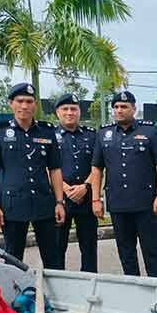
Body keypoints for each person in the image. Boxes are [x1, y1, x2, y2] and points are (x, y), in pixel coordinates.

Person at [0, 82, 66, 268]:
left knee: (53, 257)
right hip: (12, 206)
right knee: (13, 259)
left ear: (35, 104)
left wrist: (60, 202)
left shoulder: (47, 131)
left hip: (44, 204)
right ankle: (16, 296)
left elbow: (55, 169)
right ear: (10, 103)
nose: (24, 106)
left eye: (29, 101)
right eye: (20, 101)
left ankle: (53, 296)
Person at [89, 90, 157, 277]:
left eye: (124, 107)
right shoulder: (104, 133)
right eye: (116, 107)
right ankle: (133, 290)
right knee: (126, 253)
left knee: (153, 252)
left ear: (133, 109)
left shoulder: (149, 130)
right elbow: (97, 168)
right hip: (118, 204)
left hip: (146, 203)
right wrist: (96, 199)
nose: (119, 110)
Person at [53, 92, 98, 272]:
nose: (69, 112)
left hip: (86, 199)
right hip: (59, 201)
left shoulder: (92, 136)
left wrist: (85, 186)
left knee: (89, 247)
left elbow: (99, 166)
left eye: (73, 109)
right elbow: (44, 167)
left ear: (79, 112)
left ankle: (89, 284)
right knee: (56, 248)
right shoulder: (48, 135)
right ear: (58, 112)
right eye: (65, 109)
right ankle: (59, 287)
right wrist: (64, 189)